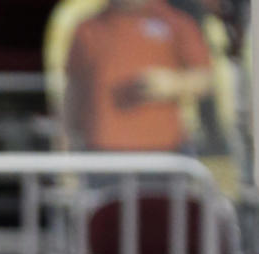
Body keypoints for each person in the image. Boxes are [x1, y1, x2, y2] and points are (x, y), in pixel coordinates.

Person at [62, 0, 214, 155]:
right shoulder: (88, 27)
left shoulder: (174, 21)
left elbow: (205, 78)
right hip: (102, 150)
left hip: (164, 149)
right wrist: (65, 140)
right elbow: (74, 87)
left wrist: (174, 84)